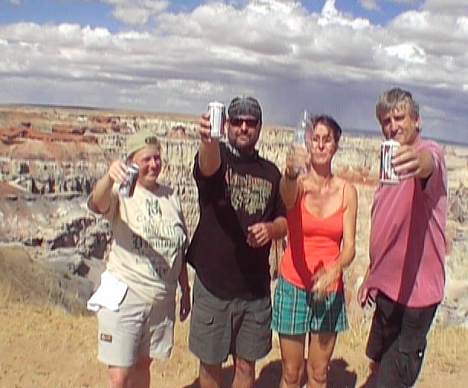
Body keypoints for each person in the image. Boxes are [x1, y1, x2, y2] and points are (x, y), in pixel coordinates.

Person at [186, 96, 288, 388]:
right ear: (227, 124)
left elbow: (283, 221)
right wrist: (207, 141)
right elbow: (208, 167)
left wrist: (270, 229)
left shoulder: (271, 173)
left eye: (251, 122)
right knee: (210, 367)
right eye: (238, 121)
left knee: (246, 366)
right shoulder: (217, 157)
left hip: (254, 291)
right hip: (214, 286)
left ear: (259, 127)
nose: (244, 127)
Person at [357, 87, 448, 388]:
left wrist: (416, 161)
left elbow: (428, 162)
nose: (393, 126)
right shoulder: (389, 165)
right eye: (386, 121)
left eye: (399, 117)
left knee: (393, 379)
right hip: (388, 290)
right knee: (378, 360)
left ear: (417, 121)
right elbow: (388, 226)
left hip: (416, 298)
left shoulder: (426, 153)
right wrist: (372, 275)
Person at [86, 129, 190, 388]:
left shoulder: (170, 196)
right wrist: (109, 178)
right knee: (119, 376)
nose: (154, 164)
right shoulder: (121, 192)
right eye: (146, 159)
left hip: (161, 299)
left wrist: (185, 289)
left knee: (143, 365)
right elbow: (97, 203)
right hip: (126, 293)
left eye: (157, 158)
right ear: (132, 162)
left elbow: (179, 248)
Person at [273, 114, 358, 388]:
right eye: (316, 139)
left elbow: (350, 248)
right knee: (291, 374)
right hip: (293, 284)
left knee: (319, 375)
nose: (321, 145)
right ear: (308, 143)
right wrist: (289, 172)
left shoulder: (347, 191)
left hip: (328, 289)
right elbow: (286, 196)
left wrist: (333, 270)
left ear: (335, 146)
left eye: (327, 140)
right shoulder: (298, 185)